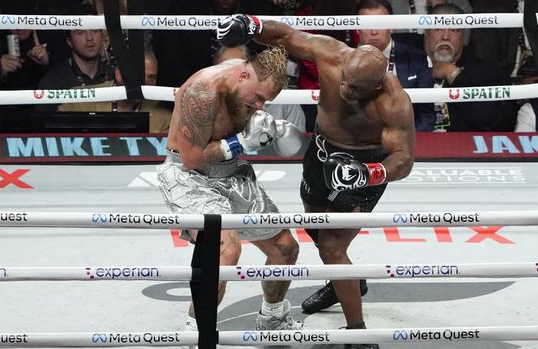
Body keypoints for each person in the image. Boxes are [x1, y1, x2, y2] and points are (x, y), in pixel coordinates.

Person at [217, 13, 415, 348]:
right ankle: (347, 282)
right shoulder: (331, 53)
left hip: (364, 165)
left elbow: (404, 159)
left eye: (355, 88)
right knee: (316, 229)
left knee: (333, 247)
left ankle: (358, 333)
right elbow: (287, 36)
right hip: (320, 153)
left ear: (376, 85)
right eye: (344, 82)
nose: (344, 89)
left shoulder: (393, 102)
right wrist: (253, 25)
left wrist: (369, 173)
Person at [156, 46, 304, 342]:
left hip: (231, 171)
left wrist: (270, 131)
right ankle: (196, 332)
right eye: (259, 98)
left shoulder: (248, 86)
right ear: (244, 74)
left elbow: (255, 130)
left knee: (285, 248)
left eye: (267, 101)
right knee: (225, 249)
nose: (261, 106)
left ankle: (272, 319)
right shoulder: (203, 92)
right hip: (190, 176)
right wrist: (242, 141)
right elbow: (192, 158)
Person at [423, 3, 517, 131]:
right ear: (426, 32)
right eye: (438, 29)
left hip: (460, 146)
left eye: (454, 30)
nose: (446, 36)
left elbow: (487, 120)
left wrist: (454, 75)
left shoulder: (484, 71)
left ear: (463, 36)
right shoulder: (408, 60)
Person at [355, 0, 435, 131]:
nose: (374, 31)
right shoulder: (343, 60)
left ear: (391, 26)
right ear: (357, 29)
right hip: (359, 142)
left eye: (379, 24)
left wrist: (406, 141)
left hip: (406, 140)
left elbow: (426, 115)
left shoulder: (416, 58)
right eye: (367, 24)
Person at [58, 50, 172, 133]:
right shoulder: (80, 100)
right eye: (139, 75)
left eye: (151, 77)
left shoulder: (163, 115)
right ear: (119, 74)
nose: (145, 82)